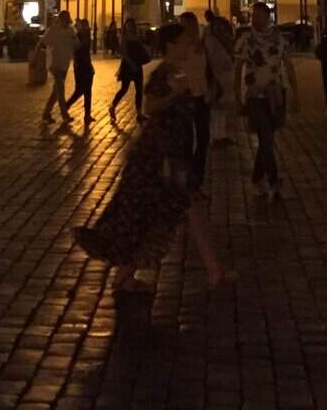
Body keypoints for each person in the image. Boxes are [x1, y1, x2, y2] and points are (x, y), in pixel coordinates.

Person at [76, 22, 235, 291]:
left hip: (173, 149)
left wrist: (201, 84)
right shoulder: (165, 73)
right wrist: (178, 92)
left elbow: (206, 97)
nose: (189, 43)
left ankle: (129, 274)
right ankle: (212, 271)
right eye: (185, 40)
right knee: (169, 207)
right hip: (159, 152)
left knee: (162, 209)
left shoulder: (182, 70)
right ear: (172, 45)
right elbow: (150, 106)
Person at [234, 0, 298, 199]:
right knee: (266, 138)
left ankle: (257, 178)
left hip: (275, 95)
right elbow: (237, 70)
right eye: (253, 16)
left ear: (268, 17)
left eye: (259, 16)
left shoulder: (279, 39)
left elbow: (288, 66)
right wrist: (237, 96)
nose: (255, 20)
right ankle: (273, 180)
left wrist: (296, 93)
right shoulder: (245, 39)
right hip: (254, 96)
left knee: (266, 140)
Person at [177, 10, 211, 187]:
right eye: (181, 26)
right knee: (186, 138)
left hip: (202, 96)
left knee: (204, 137)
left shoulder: (202, 46)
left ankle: (197, 175)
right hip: (185, 96)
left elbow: (208, 70)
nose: (184, 30)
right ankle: (189, 177)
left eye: (186, 26)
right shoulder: (178, 48)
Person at [109, 17, 149, 123]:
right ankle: (113, 106)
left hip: (137, 64)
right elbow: (123, 53)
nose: (130, 26)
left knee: (139, 89)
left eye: (131, 24)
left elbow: (142, 49)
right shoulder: (124, 37)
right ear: (125, 26)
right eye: (128, 24)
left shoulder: (137, 36)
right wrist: (132, 64)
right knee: (124, 89)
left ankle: (139, 113)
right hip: (128, 65)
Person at [204, 16, 236, 144]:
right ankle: (217, 136)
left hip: (222, 78)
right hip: (217, 78)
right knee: (218, 108)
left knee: (220, 108)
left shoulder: (216, 41)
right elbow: (213, 62)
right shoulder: (212, 43)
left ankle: (220, 135)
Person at [41, 10, 76, 123]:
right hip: (54, 64)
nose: (66, 22)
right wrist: (34, 58)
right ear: (60, 19)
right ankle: (64, 114)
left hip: (64, 64)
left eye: (67, 19)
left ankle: (46, 113)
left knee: (56, 91)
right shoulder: (53, 30)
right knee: (60, 89)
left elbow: (76, 44)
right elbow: (42, 42)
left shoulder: (71, 30)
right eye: (64, 19)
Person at [68, 18, 95, 126]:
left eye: (86, 26)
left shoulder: (85, 37)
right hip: (81, 67)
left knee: (87, 91)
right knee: (80, 91)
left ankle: (87, 115)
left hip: (86, 66)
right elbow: (77, 50)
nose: (86, 28)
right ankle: (66, 106)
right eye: (84, 26)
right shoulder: (78, 37)